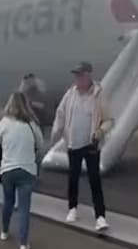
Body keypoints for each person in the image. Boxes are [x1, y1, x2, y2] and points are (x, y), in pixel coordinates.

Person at [49, 62, 114, 232]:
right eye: (76, 75)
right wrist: (56, 132)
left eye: (80, 75)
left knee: (94, 180)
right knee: (73, 177)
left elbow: (109, 120)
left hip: (91, 144)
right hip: (74, 144)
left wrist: (101, 131)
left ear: (88, 75)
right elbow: (61, 113)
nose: (77, 78)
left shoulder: (99, 95)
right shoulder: (70, 94)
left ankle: (100, 217)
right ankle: (72, 208)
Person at [0, 91, 45, 249]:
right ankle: (23, 245)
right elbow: (41, 145)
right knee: (23, 209)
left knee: (8, 202)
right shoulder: (32, 124)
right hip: (27, 171)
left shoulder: (5, 122)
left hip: (8, 170)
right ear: (26, 105)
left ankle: (4, 231)